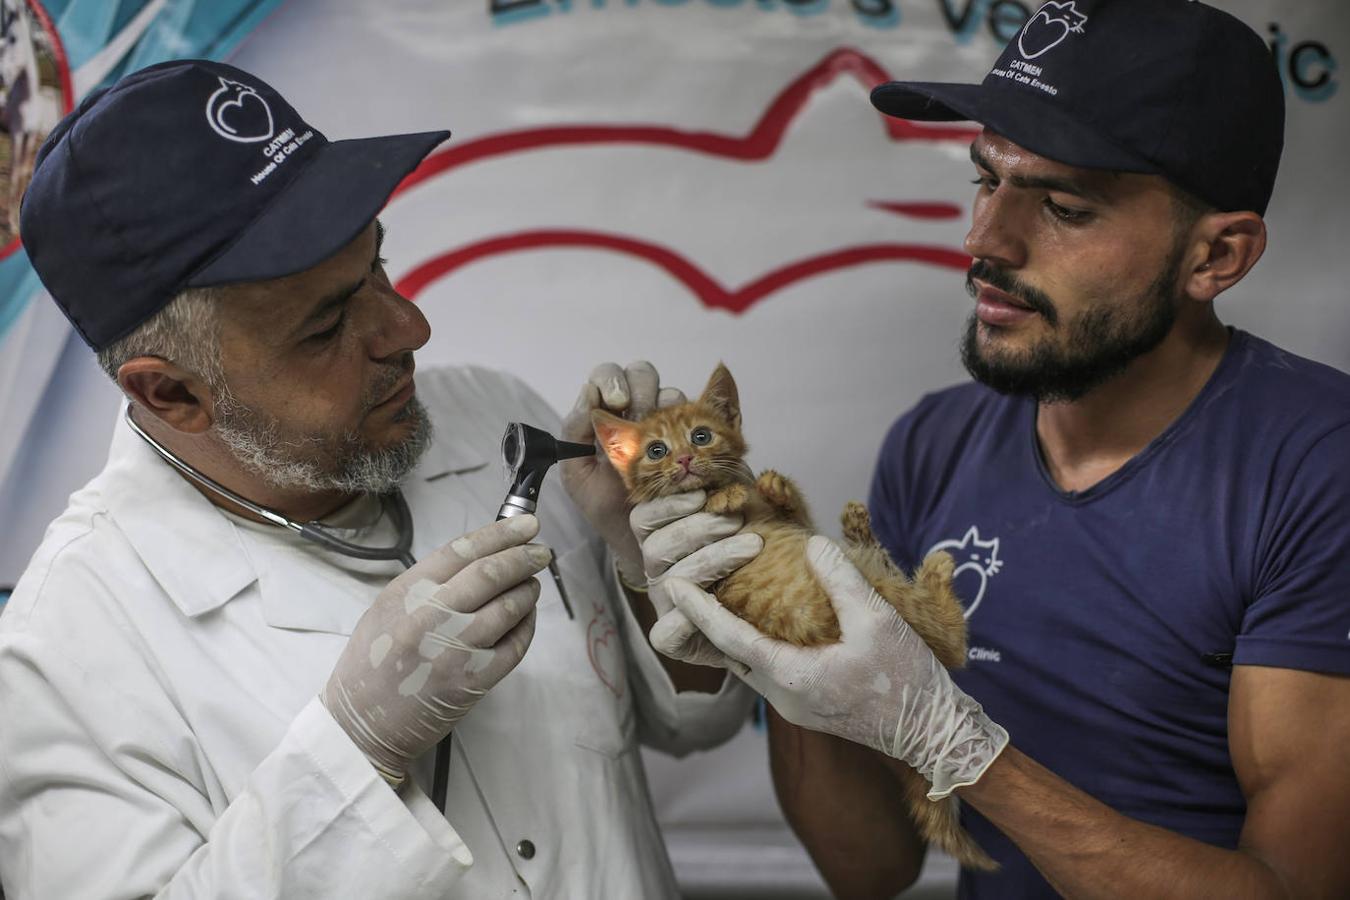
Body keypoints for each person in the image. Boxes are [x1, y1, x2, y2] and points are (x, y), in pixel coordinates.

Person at [629, 1, 1350, 897]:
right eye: (986, 180)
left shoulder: (1320, 467)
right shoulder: (934, 443)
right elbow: (872, 865)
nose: (984, 243)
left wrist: (962, 750)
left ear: (1217, 256)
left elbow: (1294, 888)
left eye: (1063, 207)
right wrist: (782, 649)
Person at [0, 59, 758, 899]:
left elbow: (698, 719)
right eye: (326, 325)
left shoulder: (496, 422)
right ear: (171, 392)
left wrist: (643, 564)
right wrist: (354, 749)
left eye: (378, 269)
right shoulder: (70, 649)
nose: (409, 328)